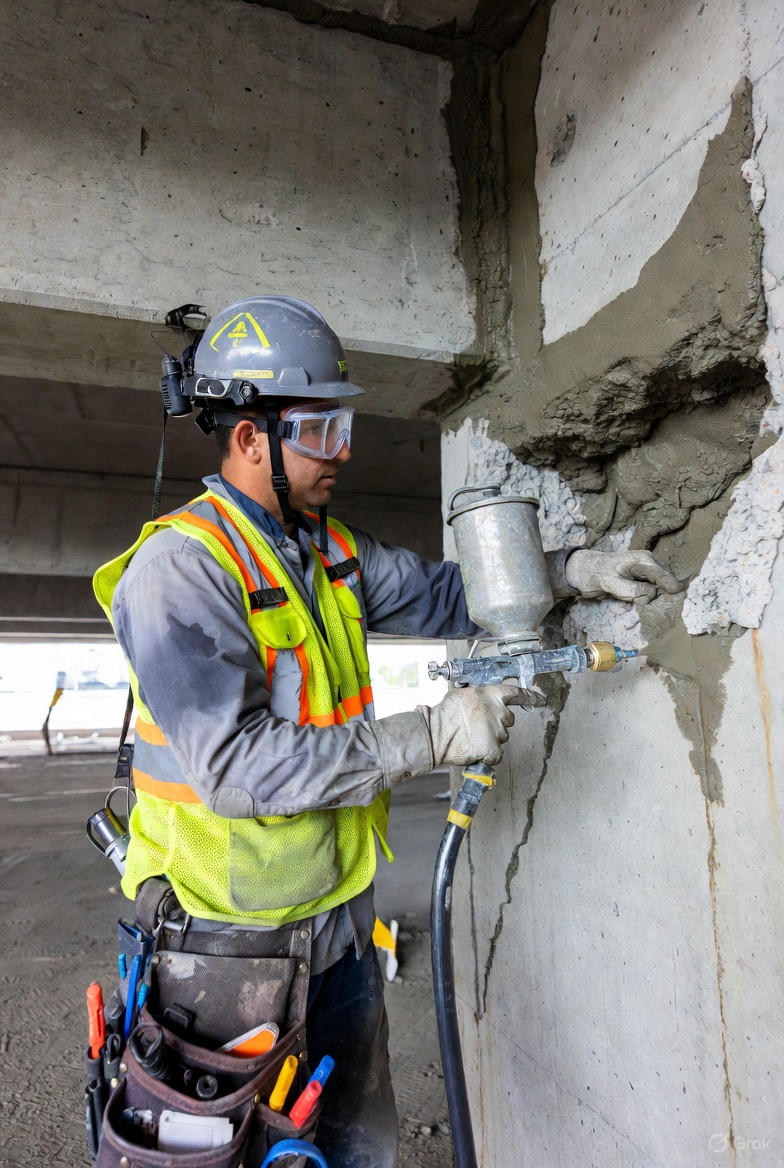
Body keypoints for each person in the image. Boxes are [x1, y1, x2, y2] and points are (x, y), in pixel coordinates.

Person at [93, 295, 680, 1166]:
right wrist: (429, 737)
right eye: (320, 429)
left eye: (344, 424)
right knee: (229, 1151)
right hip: (226, 942)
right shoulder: (182, 570)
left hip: (335, 921)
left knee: (353, 1146)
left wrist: (567, 572)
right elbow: (236, 769)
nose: (344, 450)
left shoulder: (324, 550)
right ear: (251, 439)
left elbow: (449, 598)